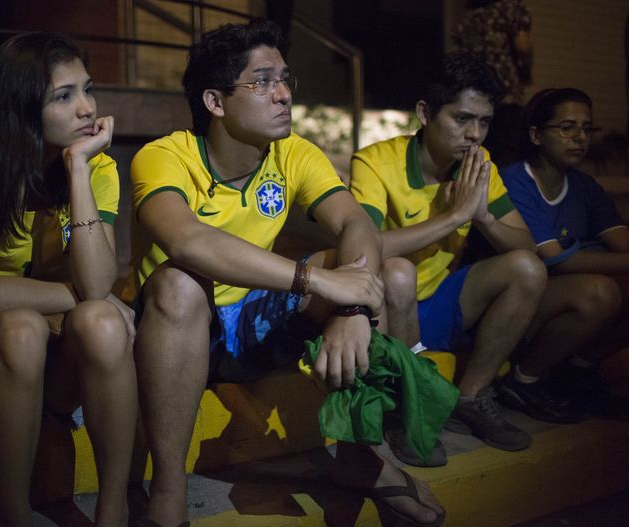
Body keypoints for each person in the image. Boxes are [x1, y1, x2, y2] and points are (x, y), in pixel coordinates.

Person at [130, 18, 445, 527]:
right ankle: (167, 489)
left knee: (378, 267)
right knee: (177, 281)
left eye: (284, 80)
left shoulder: (293, 152)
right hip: (182, 331)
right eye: (261, 82)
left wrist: (350, 306)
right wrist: (317, 282)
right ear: (215, 102)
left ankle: (362, 453)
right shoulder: (164, 157)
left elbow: (356, 223)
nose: (282, 95)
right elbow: (187, 241)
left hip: (257, 320)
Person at [0, 33, 137, 527]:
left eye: (88, 90)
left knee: (102, 322)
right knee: (23, 327)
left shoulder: (97, 167)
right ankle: (13, 516)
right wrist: (80, 299)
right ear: (22, 106)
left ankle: (113, 510)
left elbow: (99, 280)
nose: (86, 108)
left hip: (60, 364)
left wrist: (79, 172)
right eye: (63, 96)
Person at [350, 53, 548, 453]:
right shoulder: (375, 162)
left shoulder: (478, 164)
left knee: (526, 268)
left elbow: (528, 247)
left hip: (440, 305)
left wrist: (484, 219)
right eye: (461, 119)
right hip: (387, 310)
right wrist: (454, 215)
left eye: (485, 122)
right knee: (398, 271)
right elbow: (361, 246)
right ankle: (407, 410)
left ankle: (472, 397)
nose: (475, 134)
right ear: (425, 113)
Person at [499, 88, 629, 419]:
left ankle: (578, 369)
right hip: (512, 299)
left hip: (557, 294)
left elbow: (621, 243)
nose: (580, 138)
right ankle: (524, 379)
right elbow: (558, 260)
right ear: (536, 135)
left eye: (587, 128)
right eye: (567, 127)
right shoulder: (516, 181)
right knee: (600, 292)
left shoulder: (584, 186)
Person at [452, 0, 533, 166]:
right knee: (509, 152)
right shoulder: (510, 8)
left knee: (478, 152)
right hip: (506, 93)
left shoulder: (466, 17)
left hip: (473, 97)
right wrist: (527, 70)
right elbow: (523, 46)